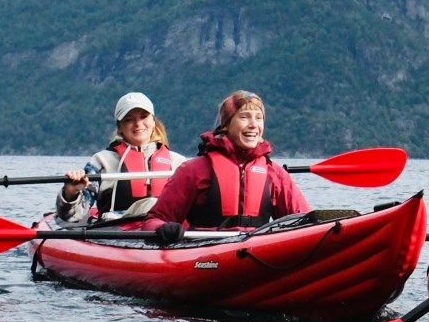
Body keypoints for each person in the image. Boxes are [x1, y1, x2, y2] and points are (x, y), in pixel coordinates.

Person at [133, 91, 312, 238]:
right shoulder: (194, 171)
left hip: (257, 251)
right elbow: (154, 219)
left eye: (259, 118)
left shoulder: (275, 175)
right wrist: (163, 228)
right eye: (244, 117)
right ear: (226, 125)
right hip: (204, 251)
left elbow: (305, 223)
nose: (253, 125)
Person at [55, 92, 185, 225]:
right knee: (151, 204)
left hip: (167, 232)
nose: (138, 124)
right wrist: (71, 192)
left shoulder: (178, 163)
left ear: (153, 121)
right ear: (120, 127)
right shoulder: (102, 162)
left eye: (143, 117)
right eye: (129, 119)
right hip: (117, 233)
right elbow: (73, 216)